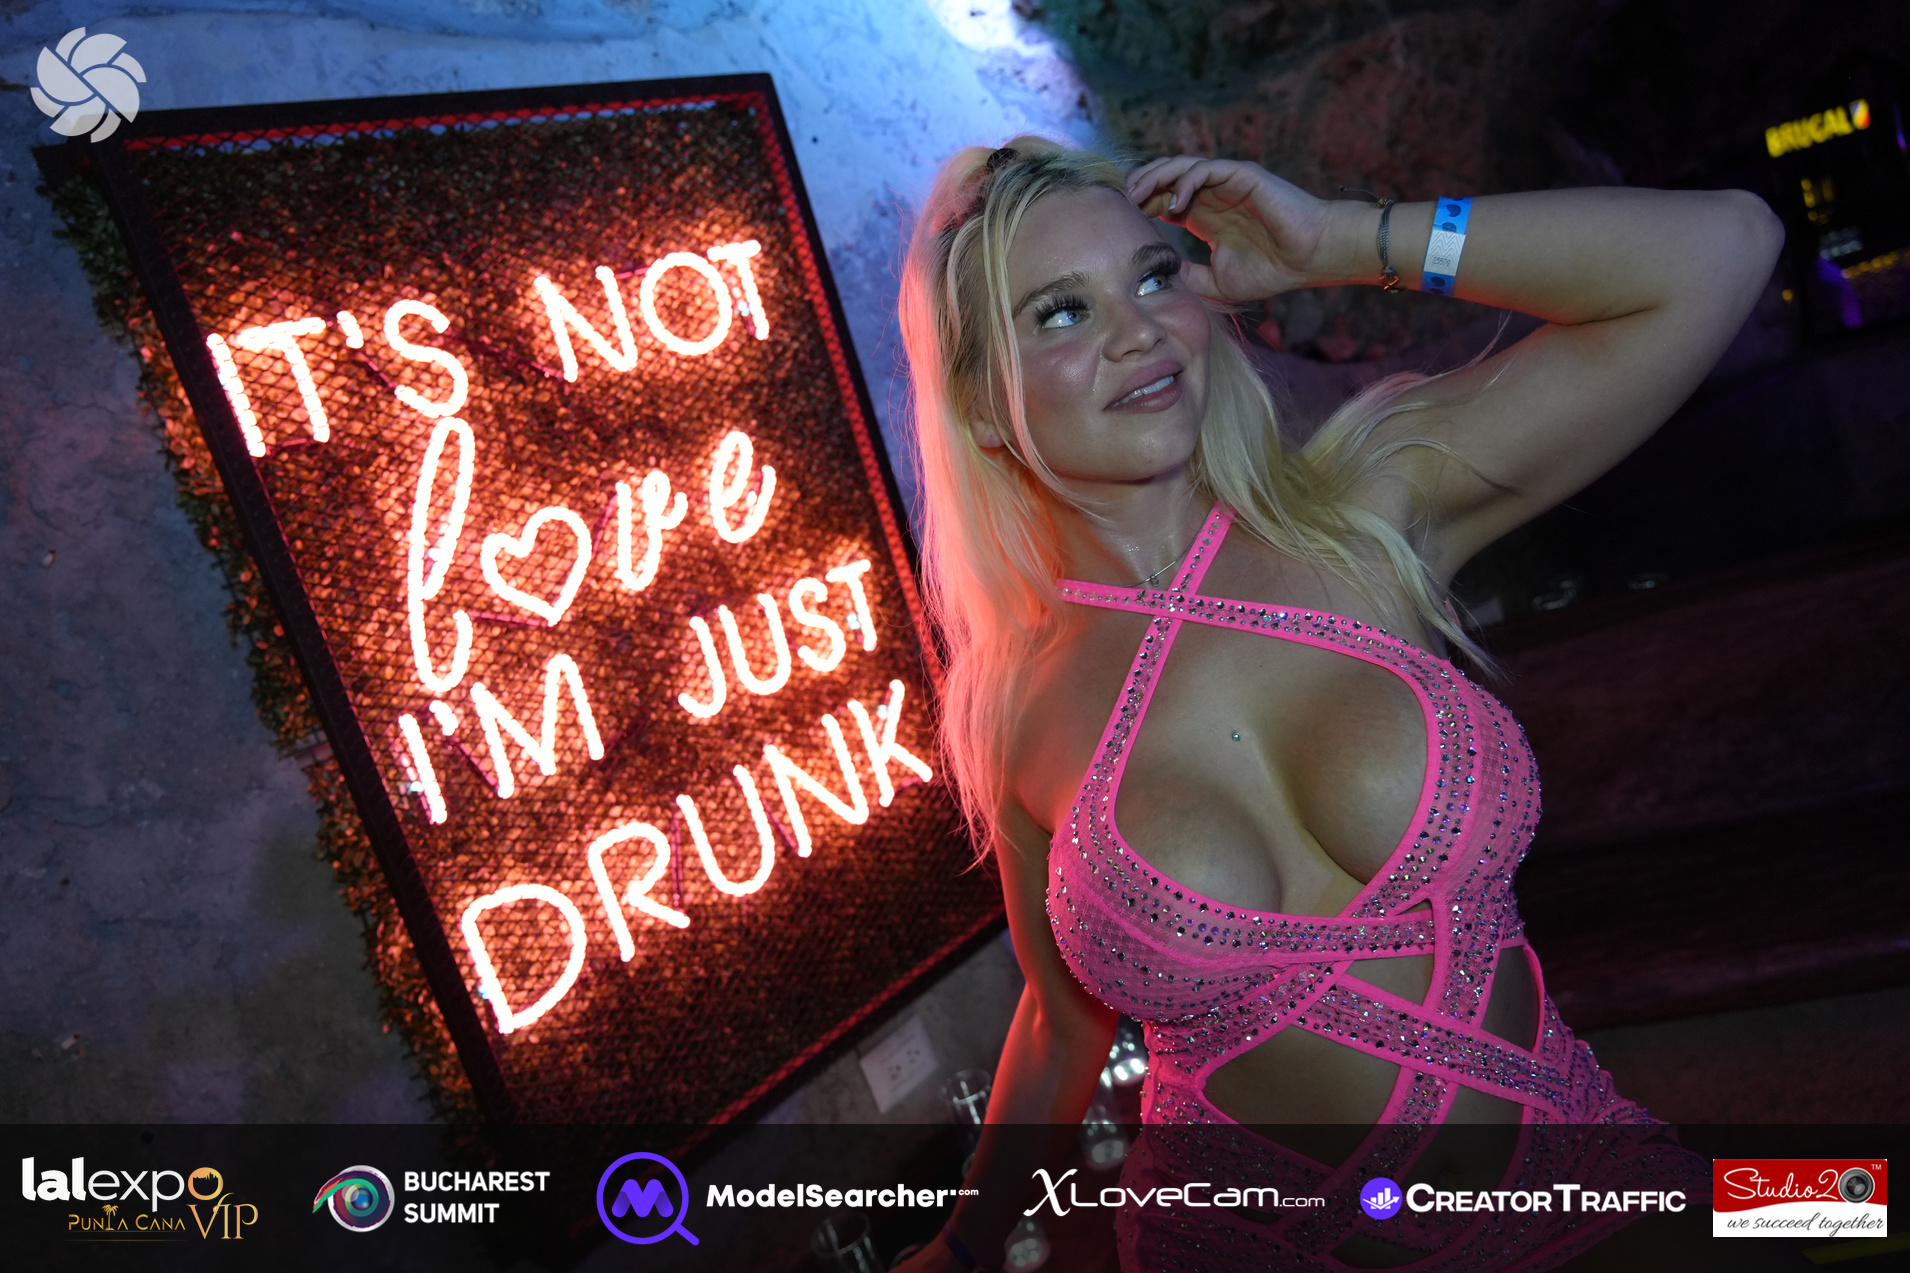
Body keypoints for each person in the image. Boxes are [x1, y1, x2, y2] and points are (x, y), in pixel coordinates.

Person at [890, 137, 1797, 1272]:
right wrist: (965, 1244)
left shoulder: (1364, 513)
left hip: (1589, 1183)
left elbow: (1726, 245)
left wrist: (1341, 240)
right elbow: (1059, 1016)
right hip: (1238, 1245)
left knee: (1844, 1204)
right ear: (981, 403)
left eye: (1155, 275)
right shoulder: (1014, 709)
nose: (1138, 331)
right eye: (1062, 312)